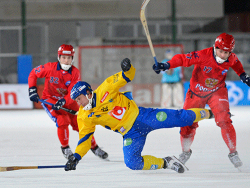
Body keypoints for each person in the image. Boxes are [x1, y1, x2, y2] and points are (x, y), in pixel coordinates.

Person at [64, 57, 214, 173]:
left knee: (182, 118)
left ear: (88, 93)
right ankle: (166, 162)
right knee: (132, 163)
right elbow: (85, 139)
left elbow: (126, 76)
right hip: (130, 134)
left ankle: (209, 113)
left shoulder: (106, 88)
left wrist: (128, 68)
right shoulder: (83, 116)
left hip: (143, 117)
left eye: (79, 99)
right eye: (76, 101)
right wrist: (76, 157)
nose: (79, 103)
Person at [152, 33, 249, 169]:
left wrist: (243, 75)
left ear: (230, 52)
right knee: (187, 123)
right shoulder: (203, 55)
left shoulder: (231, 58)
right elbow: (182, 59)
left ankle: (233, 153)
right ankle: (185, 152)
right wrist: (166, 65)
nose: (222, 55)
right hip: (196, 93)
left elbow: (237, 65)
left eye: (226, 53)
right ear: (215, 47)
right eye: (220, 51)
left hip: (217, 92)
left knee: (224, 120)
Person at [28, 44, 108, 160]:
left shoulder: (75, 73)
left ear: (73, 59)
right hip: (50, 99)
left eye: (69, 58)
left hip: (68, 101)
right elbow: (33, 73)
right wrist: (32, 89)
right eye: (63, 58)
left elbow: (73, 93)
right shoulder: (49, 68)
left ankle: (94, 147)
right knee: (62, 120)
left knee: (81, 123)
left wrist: (63, 101)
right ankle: (65, 148)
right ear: (59, 57)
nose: (66, 61)